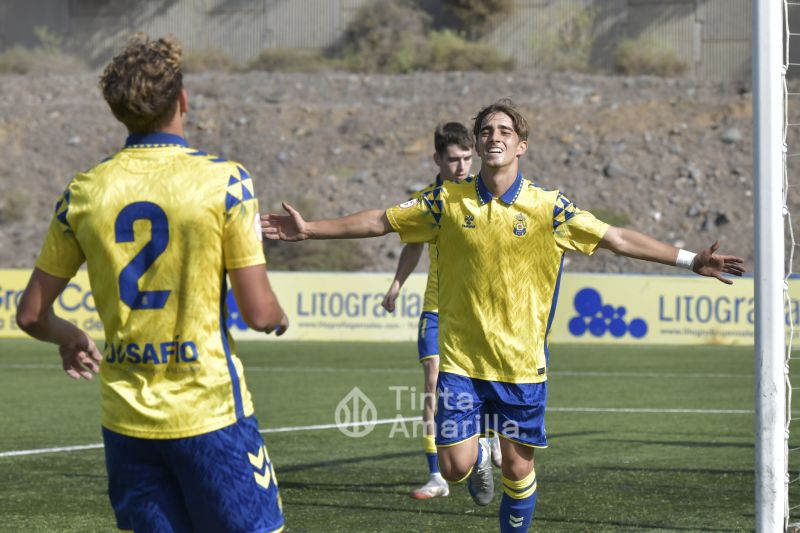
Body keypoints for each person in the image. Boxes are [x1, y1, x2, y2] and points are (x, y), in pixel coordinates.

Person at [261, 99, 745, 532]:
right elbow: (380, 221)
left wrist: (689, 260)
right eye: (487, 131)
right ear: (478, 143)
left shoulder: (549, 207)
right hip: (460, 364)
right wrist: (312, 230)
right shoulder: (445, 200)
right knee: (454, 467)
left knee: (518, 470)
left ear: (522, 146)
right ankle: (475, 462)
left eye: (504, 132)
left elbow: (618, 238)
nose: (494, 137)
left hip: (520, 365)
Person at [15, 34, 289, 533]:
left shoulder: (85, 192)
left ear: (117, 110)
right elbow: (259, 313)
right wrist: (278, 315)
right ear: (182, 101)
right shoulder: (225, 181)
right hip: (210, 414)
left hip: (126, 424)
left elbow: (31, 314)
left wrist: (69, 336)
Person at [382, 121, 500, 499]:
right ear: (437, 159)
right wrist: (397, 284)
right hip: (437, 307)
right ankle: (437, 476)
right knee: (432, 382)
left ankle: (487, 437)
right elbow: (413, 245)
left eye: (468, 158)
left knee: (486, 381)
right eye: (454, 160)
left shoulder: (483, 195)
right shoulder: (428, 201)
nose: (462, 166)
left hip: (480, 311)